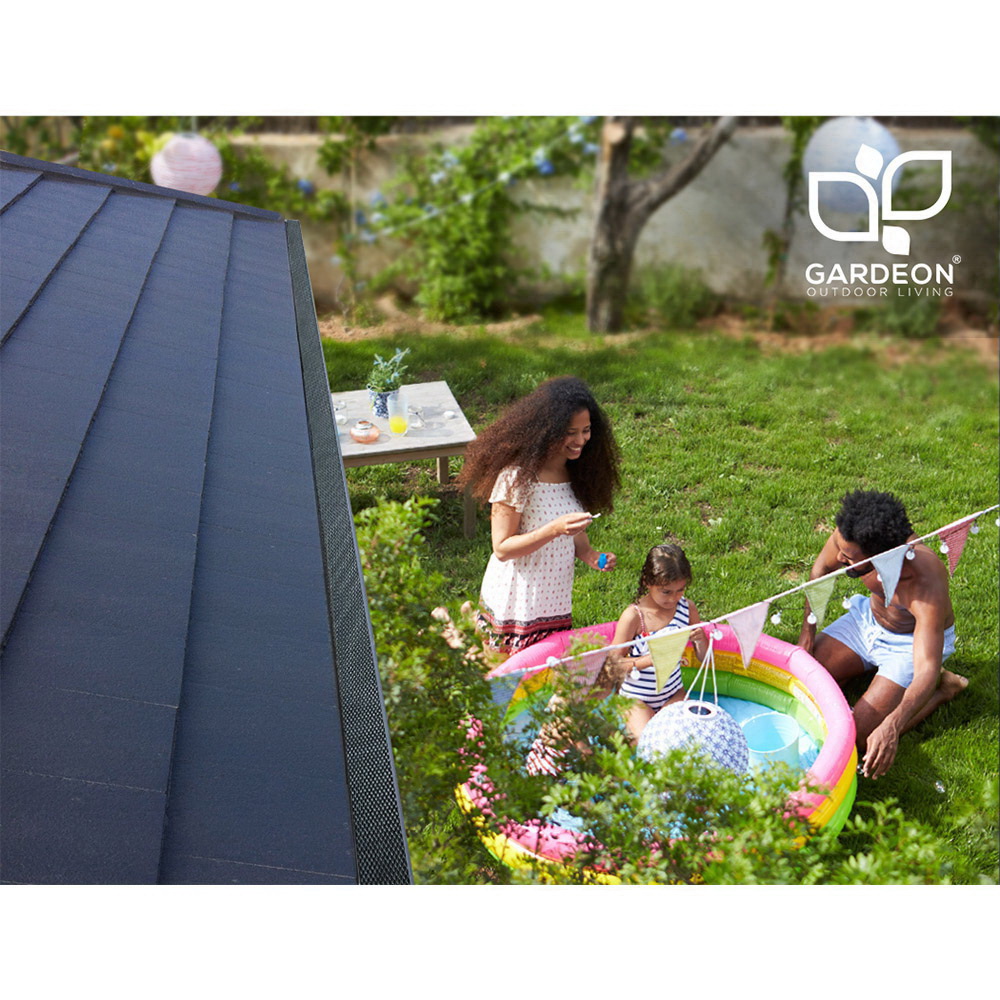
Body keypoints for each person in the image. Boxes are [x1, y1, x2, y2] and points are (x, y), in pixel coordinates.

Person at [799, 489, 967, 780]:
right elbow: (820, 570)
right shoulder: (851, 533)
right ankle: (862, 673)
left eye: (848, 557)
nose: (839, 556)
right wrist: (807, 635)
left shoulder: (924, 582)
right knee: (804, 682)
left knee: (859, 738)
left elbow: (926, 668)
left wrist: (892, 725)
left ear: (881, 557)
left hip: (908, 644)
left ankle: (945, 689)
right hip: (867, 620)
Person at [458, 376, 621, 656]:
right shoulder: (516, 477)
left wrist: (592, 556)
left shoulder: (576, 474)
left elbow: (576, 538)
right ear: (547, 430)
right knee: (502, 675)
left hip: (553, 602)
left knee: (545, 675)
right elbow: (502, 548)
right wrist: (553, 529)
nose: (580, 440)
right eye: (570, 432)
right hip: (515, 601)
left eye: (586, 430)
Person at [610, 544, 709, 743]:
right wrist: (648, 660)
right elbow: (611, 665)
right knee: (646, 742)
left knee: (683, 741)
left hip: (673, 693)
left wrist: (700, 640)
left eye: (680, 590)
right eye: (666, 592)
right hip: (637, 698)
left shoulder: (686, 609)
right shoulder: (635, 617)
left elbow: (705, 659)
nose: (673, 598)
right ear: (647, 582)